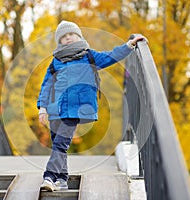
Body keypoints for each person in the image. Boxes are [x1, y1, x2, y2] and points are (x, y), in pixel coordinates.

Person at [37, 20, 147, 192]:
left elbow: (110, 56)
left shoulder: (88, 56)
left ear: (78, 36)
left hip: (75, 109)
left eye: (71, 34)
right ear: (59, 41)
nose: (68, 38)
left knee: (60, 144)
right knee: (59, 144)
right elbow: (46, 86)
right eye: (64, 37)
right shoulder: (55, 62)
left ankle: (49, 177)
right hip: (55, 109)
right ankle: (62, 180)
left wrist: (128, 46)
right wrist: (42, 108)